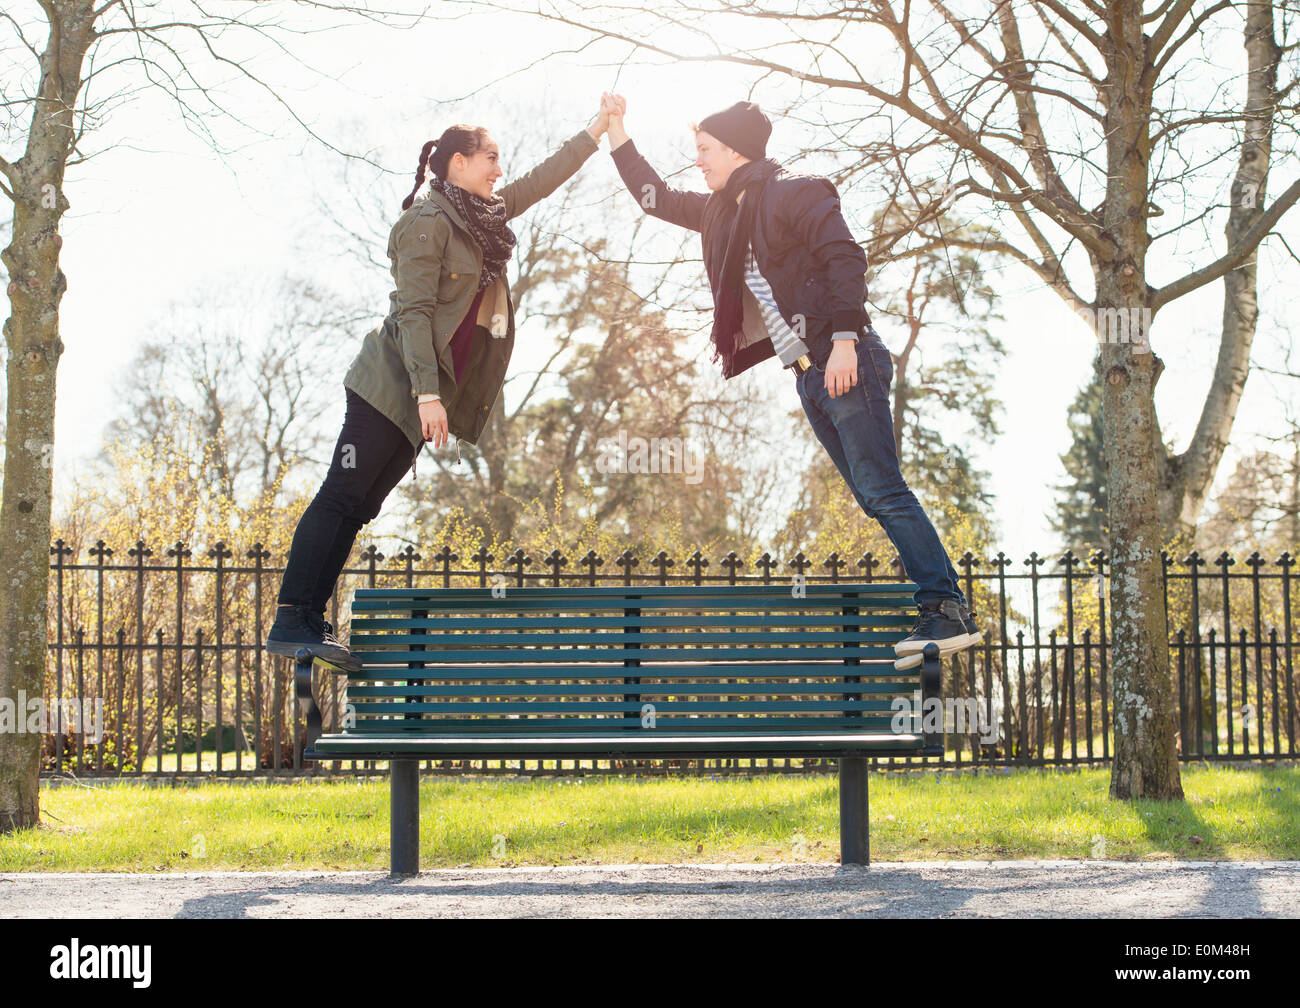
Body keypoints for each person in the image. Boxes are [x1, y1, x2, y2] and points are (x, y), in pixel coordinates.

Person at [600, 94, 981, 669]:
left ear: (735, 150)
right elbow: (656, 199)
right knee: (875, 495)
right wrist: (618, 132)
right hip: (807, 374)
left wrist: (847, 340)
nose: (697, 162)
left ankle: (944, 608)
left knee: (883, 490)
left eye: (704, 151)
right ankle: (943, 604)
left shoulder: (797, 192)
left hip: (844, 357)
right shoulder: (722, 214)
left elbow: (845, 258)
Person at [265, 99, 618, 668]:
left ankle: (308, 619)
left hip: (422, 399)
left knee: (358, 507)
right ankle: (291, 618)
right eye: (491, 158)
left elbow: (540, 182)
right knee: (340, 495)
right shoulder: (428, 222)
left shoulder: (481, 220)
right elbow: (414, 313)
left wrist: (597, 130)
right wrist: (429, 395)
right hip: (390, 388)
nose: (499, 170)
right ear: (457, 163)